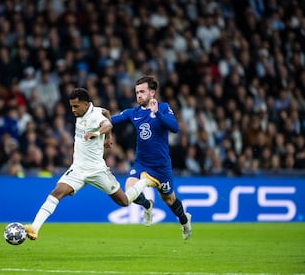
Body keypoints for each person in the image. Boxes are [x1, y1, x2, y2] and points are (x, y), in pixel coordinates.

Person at [24, 88, 160, 240]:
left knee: (124, 201)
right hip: (77, 169)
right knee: (56, 193)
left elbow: (107, 123)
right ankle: (34, 228)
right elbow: (107, 112)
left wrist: (98, 133)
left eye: (76, 106)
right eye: (71, 106)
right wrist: (109, 138)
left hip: (97, 170)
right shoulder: (91, 110)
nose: (73, 110)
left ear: (86, 104)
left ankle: (145, 183)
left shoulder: (94, 115)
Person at [103, 75, 192, 239]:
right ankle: (147, 205)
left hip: (161, 167)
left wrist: (157, 113)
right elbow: (112, 120)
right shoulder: (133, 112)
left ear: (152, 92)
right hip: (141, 163)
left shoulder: (164, 108)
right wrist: (93, 119)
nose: (138, 95)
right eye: (137, 92)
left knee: (170, 200)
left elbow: (175, 128)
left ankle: (184, 220)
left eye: (142, 92)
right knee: (129, 190)